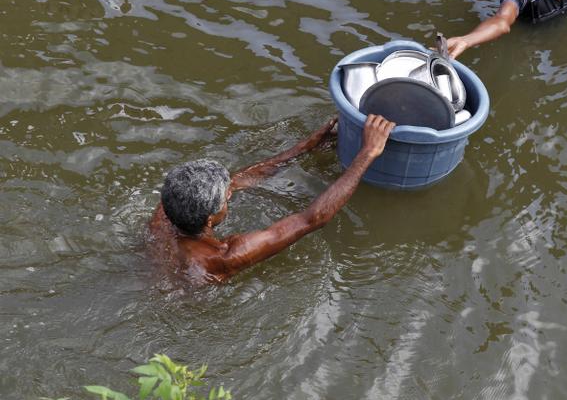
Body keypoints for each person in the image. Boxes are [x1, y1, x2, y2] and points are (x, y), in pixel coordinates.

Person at [148, 114, 395, 284]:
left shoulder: (169, 205)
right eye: (226, 198)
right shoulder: (221, 258)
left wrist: (307, 146)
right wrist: (368, 152)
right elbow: (312, 219)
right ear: (210, 218)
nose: (231, 192)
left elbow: (240, 180)